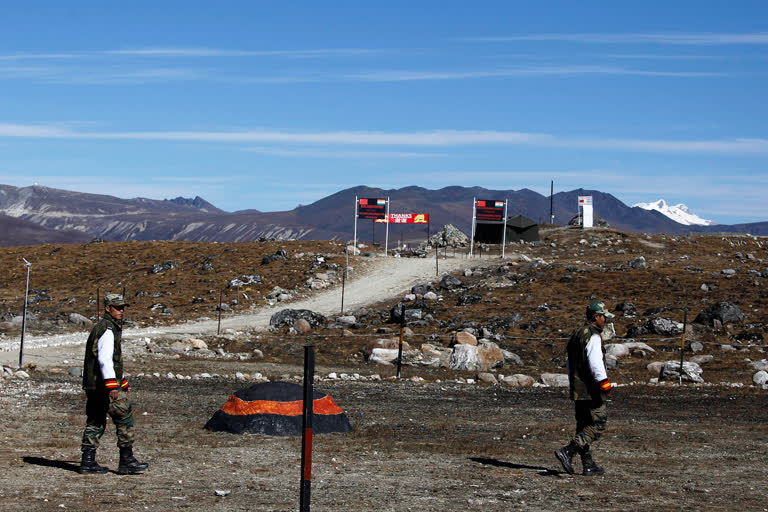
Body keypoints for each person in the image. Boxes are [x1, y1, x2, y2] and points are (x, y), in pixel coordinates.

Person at [79, 293, 148, 475]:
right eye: (117, 307)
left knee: (95, 421)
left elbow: (110, 361)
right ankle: (126, 460)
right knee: (124, 418)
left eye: (123, 307)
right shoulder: (108, 329)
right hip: (104, 387)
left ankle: (87, 461)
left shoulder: (102, 327)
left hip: (94, 385)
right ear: (108, 308)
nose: (121, 310)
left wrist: (122, 380)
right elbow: (105, 359)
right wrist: (113, 385)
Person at [555, 301, 614, 476]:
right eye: (604, 317)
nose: (605, 321)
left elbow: (569, 362)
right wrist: (604, 383)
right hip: (591, 388)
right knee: (598, 422)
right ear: (596, 317)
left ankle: (588, 464)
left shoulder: (577, 335)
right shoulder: (593, 336)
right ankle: (569, 450)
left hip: (578, 388)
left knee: (583, 425)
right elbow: (595, 362)